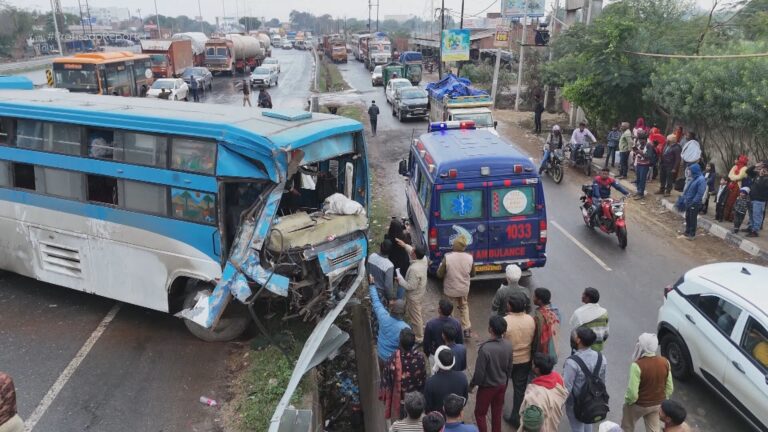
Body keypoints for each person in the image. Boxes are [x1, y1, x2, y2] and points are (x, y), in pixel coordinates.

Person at [620, 333, 673, 432]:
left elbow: (632, 394)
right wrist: (660, 400)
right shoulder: (665, 362)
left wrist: (628, 403)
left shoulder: (637, 365)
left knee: (627, 427)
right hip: (658, 404)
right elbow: (669, 388)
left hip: (639, 404)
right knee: (654, 429)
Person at [471, 316, 514, 432]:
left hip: (487, 387)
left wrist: (472, 386)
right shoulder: (509, 345)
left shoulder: (485, 349)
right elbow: (510, 367)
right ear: (504, 331)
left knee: (480, 414)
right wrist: (504, 381)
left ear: (490, 329)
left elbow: (479, 374)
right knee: (497, 412)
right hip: (501, 385)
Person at [564, 327, 607, 432]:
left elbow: (566, 388)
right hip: (593, 400)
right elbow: (602, 382)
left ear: (578, 340)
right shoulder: (601, 358)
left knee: (577, 427)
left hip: (575, 403)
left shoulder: (572, 362)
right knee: (588, 422)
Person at [503, 294, 536, 429]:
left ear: (510, 306)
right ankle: (516, 415)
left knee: (502, 385)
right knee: (519, 389)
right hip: (525, 359)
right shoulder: (530, 320)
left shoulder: (505, 321)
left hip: (508, 360)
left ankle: (498, 407)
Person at [381, 328, 427, 420]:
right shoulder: (420, 358)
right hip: (417, 399)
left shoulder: (392, 360)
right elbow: (423, 379)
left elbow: (386, 381)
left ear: (400, 343)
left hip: (401, 401)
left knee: (403, 419)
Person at [517, 353, 568, 432]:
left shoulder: (534, 395)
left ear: (537, 369)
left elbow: (532, 424)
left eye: (533, 364)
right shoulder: (558, 378)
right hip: (554, 424)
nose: (532, 365)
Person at [437, 235, 475, 338]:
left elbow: (439, 274)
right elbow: (473, 274)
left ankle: (451, 327)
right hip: (463, 289)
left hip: (450, 289)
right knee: (463, 306)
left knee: (450, 308)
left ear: (454, 246)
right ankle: (466, 329)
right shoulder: (470, 257)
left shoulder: (448, 257)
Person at [369, 277, 411, 365]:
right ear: (403, 313)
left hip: (380, 354)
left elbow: (376, 301)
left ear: (391, 309)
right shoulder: (405, 328)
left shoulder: (383, 316)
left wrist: (372, 285)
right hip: (393, 360)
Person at [395, 241, 428, 342]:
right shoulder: (423, 259)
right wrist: (404, 245)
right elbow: (411, 250)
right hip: (420, 292)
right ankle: (418, 329)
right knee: (417, 312)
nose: (411, 250)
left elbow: (410, 286)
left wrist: (400, 280)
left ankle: (419, 337)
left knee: (416, 316)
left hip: (414, 296)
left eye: (412, 250)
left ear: (414, 254)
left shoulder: (414, 269)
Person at [424, 347, 469, 413]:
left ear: (437, 362)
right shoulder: (462, 377)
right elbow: (464, 399)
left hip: (437, 419)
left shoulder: (430, 382)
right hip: (455, 416)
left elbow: (428, 406)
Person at [424, 300, 465, 366]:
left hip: (435, 355)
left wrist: (428, 353)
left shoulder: (430, 324)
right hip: (451, 355)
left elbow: (426, 343)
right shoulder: (457, 323)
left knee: (435, 374)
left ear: (439, 310)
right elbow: (460, 342)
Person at [569, 287, 609, 352]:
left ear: (588, 298)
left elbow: (574, 334)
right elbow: (606, 334)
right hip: (598, 349)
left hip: (582, 349)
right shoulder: (604, 312)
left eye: (583, 294)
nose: (582, 295)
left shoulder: (579, 313)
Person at [531, 288, 560, 365]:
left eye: (534, 297)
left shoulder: (539, 316)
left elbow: (536, 335)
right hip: (553, 348)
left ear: (539, 301)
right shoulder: (555, 311)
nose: (533, 298)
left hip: (543, 351)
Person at [679, 163, 707, 240]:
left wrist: (694, 202)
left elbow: (700, 193)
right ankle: (687, 232)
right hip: (689, 202)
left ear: (694, 170)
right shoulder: (695, 178)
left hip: (694, 203)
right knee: (688, 217)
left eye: (690, 171)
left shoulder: (701, 180)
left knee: (692, 219)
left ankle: (692, 234)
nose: (689, 172)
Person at [724, 155, 750, 221]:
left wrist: (734, 178)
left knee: (735, 202)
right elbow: (730, 175)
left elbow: (740, 176)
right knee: (729, 200)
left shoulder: (744, 168)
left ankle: (731, 217)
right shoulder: (735, 166)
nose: (736, 161)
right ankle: (726, 216)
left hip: (738, 186)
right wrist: (734, 178)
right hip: (732, 185)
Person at [746, 161, 768, 237]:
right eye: (761, 167)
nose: (761, 169)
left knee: (757, 216)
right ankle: (751, 227)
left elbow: (761, 186)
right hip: (752, 198)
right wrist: (754, 165)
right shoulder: (757, 174)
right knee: (751, 215)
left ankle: (755, 231)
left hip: (760, 200)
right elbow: (748, 171)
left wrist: (762, 176)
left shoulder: (766, 178)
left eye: (763, 167)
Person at [632, 131, 655, 200]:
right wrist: (636, 151)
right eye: (639, 139)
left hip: (645, 165)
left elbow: (649, 156)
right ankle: (638, 191)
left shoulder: (649, 145)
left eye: (641, 139)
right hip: (639, 163)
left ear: (645, 139)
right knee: (638, 178)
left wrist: (640, 152)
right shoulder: (640, 145)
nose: (640, 141)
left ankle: (641, 193)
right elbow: (638, 153)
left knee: (642, 179)